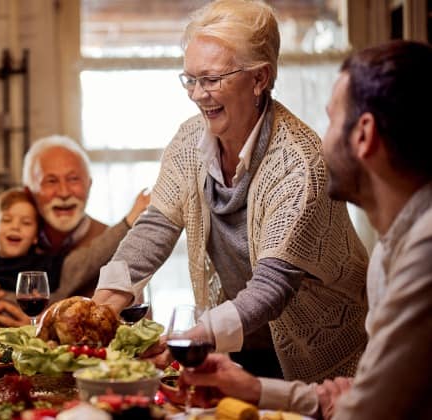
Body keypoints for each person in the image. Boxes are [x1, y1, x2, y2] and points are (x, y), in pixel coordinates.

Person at [92, 0, 368, 382]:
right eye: (189, 79)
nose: (196, 94)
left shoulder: (299, 162)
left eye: (211, 79)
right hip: (238, 343)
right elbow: (156, 226)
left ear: (260, 78)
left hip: (319, 355)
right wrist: (101, 304)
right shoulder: (191, 139)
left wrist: (188, 340)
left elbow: (273, 286)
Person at [178, 40, 432, 420]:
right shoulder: (390, 251)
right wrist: (257, 389)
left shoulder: (425, 252)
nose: (318, 140)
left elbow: (364, 413)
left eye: (331, 120)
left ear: (363, 135)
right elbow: (355, 399)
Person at [0, 135, 149, 330]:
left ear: (89, 185)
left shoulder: (118, 246)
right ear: (29, 191)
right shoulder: (1, 249)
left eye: (73, 179)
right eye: (50, 181)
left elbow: (139, 327)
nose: (63, 192)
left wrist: (45, 330)